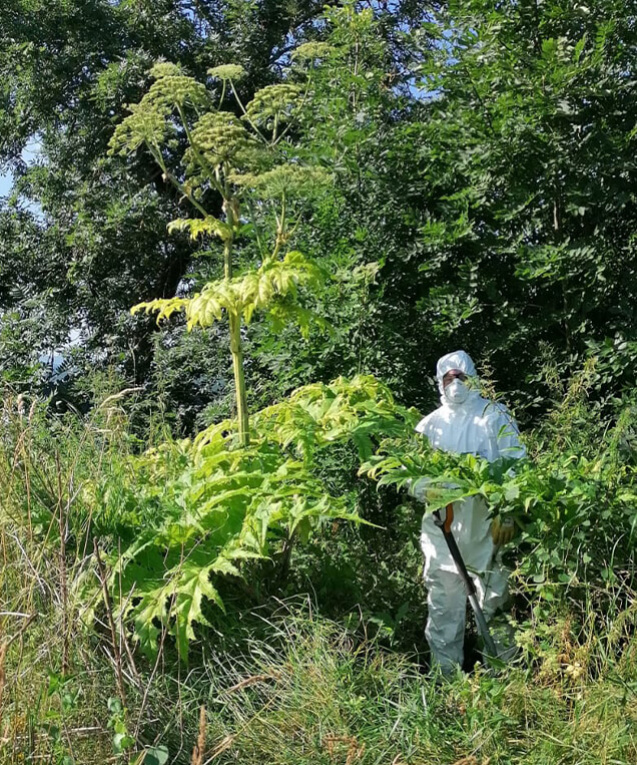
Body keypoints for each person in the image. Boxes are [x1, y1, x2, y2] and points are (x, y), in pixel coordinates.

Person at [411, 350, 525, 673]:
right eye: (448, 378)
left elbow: (519, 466)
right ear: (439, 382)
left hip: (486, 533)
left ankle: (504, 678)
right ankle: (446, 684)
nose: (455, 383)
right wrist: (425, 487)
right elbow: (408, 474)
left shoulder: (494, 417)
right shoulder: (429, 426)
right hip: (441, 535)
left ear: (472, 378)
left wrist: (508, 511)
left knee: (495, 607)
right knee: (444, 612)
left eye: (460, 376)